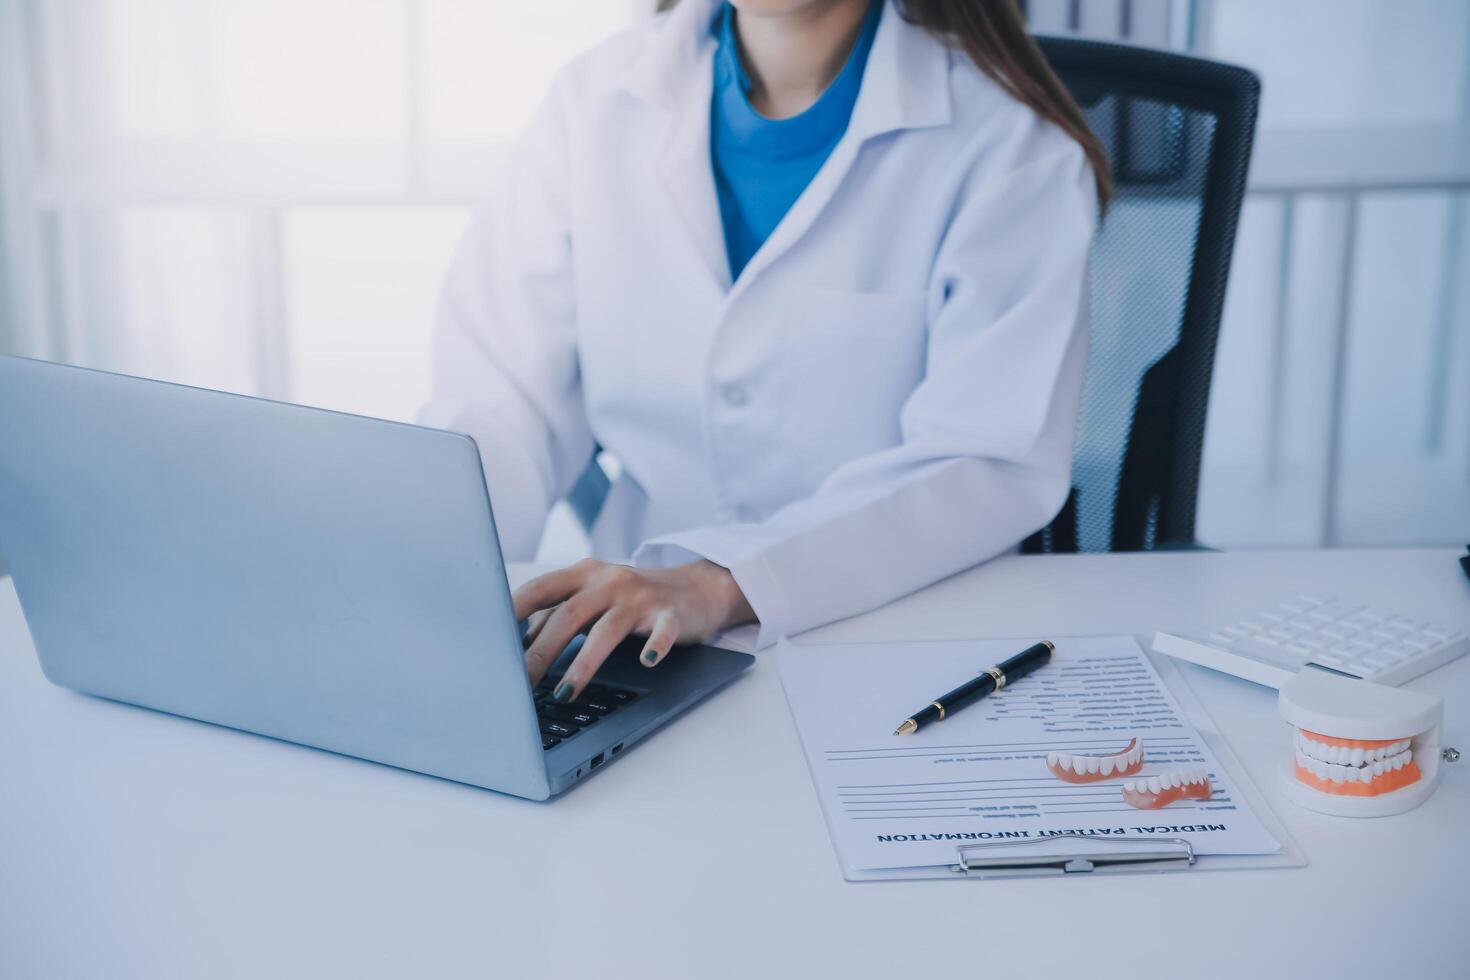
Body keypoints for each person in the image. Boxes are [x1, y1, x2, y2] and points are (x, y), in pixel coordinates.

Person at [420, 0, 1110, 704]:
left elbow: (982, 462)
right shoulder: (594, 102)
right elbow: (508, 400)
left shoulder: (1013, 148)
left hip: (904, 647)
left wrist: (722, 581)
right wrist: (430, 565)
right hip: (632, 648)